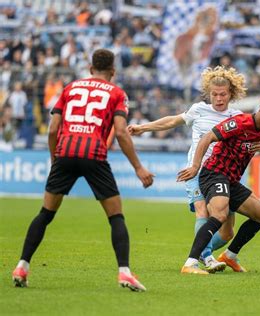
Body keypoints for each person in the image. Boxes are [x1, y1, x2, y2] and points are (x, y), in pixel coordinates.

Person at [11, 49, 154, 292]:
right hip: (94, 155)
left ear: (90, 69)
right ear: (113, 71)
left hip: (65, 152)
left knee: (45, 213)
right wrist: (138, 167)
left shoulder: (70, 88)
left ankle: (22, 266)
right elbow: (120, 132)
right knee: (116, 216)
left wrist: (54, 159)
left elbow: (53, 129)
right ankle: (125, 272)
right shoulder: (117, 93)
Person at [128, 66, 260, 272]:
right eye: (214, 94)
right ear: (209, 94)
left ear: (231, 94)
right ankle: (204, 258)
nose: (218, 98)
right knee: (203, 211)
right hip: (198, 170)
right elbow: (173, 121)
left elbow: (257, 138)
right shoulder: (199, 109)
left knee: (227, 231)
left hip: (225, 174)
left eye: (222, 94)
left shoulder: (237, 116)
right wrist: (144, 127)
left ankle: (207, 251)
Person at [177, 96, 260, 275]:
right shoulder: (239, 123)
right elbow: (207, 137)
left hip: (232, 180)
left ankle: (230, 255)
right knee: (219, 213)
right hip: (214, 174)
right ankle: (190, 264)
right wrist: (195, 166)